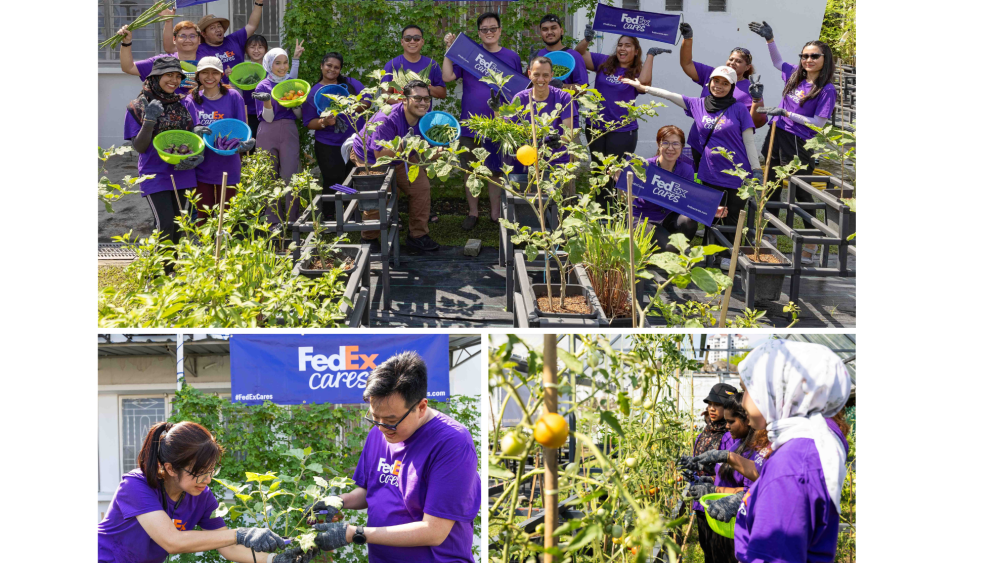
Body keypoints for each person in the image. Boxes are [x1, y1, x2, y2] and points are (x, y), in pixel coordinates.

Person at [305, 351, 481, 563]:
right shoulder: (380, 433)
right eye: (374, 417)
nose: (381, 427)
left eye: (390, 420)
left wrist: (354, 533)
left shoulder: (452, 443)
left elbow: (434, 531)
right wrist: (337, 501)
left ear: (421, 407)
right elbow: (370, 491)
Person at [700, 340, 851, 563]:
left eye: (746, 390)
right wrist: (749, 499)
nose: (743, 402)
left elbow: (772, 556)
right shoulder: (807, 446)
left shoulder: (792, 465)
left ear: (774, 391)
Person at [97, 420, 310, 563]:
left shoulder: (201, 496)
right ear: (170, 468)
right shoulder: (136, 485)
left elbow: (228, 547)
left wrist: (276, 559)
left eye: (211, 471)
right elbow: (171, 541)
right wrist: (241, 534)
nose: (207, 480)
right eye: (199, 473)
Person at [623, 67, 762, 259]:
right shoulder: (698, 104)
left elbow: (749, 141)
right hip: (710, 171)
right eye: (716, 81)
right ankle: (710, 256)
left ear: (732, 86)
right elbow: (669, 95)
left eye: (725, 83)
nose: (719, 86)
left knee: (733, 216)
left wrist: (756, 169)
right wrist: (644, 88)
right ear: (709, 82)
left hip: (737, 172)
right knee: (711, 216)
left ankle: (728, 257)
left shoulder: (739, 109)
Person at [750, 21, 838, 264]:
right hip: (777, 132)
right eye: (804, 56)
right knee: (772, 184)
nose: (808, 60)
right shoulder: (795, 76)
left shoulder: (826, 89)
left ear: (825, 59)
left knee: (800, 190)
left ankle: (812, 241)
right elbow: (778, 62)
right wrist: (770, 40)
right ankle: (770, 232)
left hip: (799, 141)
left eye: (814, 56)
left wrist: (787, 113)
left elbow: (818, 123)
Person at [442, 11, 523, 230]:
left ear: (500, 31)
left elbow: (518, 91)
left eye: (493, 28)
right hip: (470, 125)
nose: (489, 32)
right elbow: (448, 77)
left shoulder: (512, 57)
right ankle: (473, 213)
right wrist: (449, 50)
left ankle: (495, 214)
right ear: (479, 33)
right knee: (471, 170)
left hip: (499, 126)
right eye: (484, 29)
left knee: (496, 170)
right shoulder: (470, 55)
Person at [123, 57, 211, 247]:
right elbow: (140, 147)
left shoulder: (185, 103)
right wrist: (149, 121)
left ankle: (174, 265)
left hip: (183, 170)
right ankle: (159, 266)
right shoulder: (137, 107)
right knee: (164, 225)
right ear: (155, 77)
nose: (174, 80)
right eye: (168, 75)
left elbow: (192, 138)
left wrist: (198, 153)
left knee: (179, 226)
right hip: (154, 172)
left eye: (178, 76)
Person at [573, 30, 660, 208]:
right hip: (595, 127)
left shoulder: (637, 71)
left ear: (636, 51)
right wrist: (587, 39)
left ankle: (616, 213)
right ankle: (600, 212)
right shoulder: (604, 62)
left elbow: (643, 85)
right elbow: (578, 54)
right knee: (598, 170)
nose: (622, 48)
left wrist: (650, 55)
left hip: (622, 131)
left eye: (627, 45)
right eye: (620, 45)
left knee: (616, 172)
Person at [351, 80, 441, 253]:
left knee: (421, 188)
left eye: (426, 99)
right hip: (371, 158)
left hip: (402, 155)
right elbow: (381, 156)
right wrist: (403, 145)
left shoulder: (425, 117)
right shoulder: (386, 119)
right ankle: (369, 238)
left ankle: (417, 236)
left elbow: (426, 150)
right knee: (380, 195)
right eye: (417, 98)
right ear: (404, 100)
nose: (423, 103)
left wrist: (438, 151)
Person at [677, 22, 767, 170]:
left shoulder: (751, 88)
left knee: (720, 181)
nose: (733, 63)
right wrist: (688, 39)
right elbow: (686, 64)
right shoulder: (713, 74)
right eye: (731, 59)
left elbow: (756, 122)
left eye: (738, 61)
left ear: (747, 67)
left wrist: (757, 99)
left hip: (726, 148)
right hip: (700, 142)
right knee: (699, 179)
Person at [682, 393, 759, 563]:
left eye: (731, 421)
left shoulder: (754, 452)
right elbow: (725, 475)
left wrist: (714, 490)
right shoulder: (737, 444)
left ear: (746, 419)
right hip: (722, 523)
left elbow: (752, 491)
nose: (727, 426)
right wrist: (708, 481)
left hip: (735, 525)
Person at [181, 57, 255, 220]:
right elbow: (187, 134)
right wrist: (194, 131)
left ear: (221, 75)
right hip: (202, 164)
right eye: (205, 73)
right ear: (198, 75)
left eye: (214, 73)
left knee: (227, 215)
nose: (210, 77)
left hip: (228, 163)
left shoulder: (233, 96)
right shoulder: (190, 100)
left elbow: (241, 129)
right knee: (203, 215)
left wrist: (246, 143)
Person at [302, 52, 369, 215]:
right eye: (329, 65)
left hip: (354, 143)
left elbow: (367, 101)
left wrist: (350, 108)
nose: (332, 69)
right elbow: (309, 122)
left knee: (353, 177)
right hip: (329, 145)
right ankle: (330, 215)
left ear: (340, 69)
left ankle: (351, 213)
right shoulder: (314, 93)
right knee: (333, 180)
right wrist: (324, 122)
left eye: (336, 67)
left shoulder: (351, 84)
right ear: (321, 66)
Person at [499, 57, 575, 189]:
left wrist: (559, 141)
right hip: (525, 162)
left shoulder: (563, 98)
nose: (541, 79)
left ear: (551, 76)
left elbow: (569, 134)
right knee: (523, 199)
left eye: (545, 75)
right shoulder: (520, 98)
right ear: (529, 74)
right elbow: (507, 130)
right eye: (536, 74)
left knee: (553, 199)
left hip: (554, 162)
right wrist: (497, 111)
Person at [686, 382, 738, 563]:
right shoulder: (705, 433)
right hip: (702, 501)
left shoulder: (730, 436)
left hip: (720, 502)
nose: (712, 408)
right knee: (707, 548)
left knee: (722, 553)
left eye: (718, 404)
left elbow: (731, 474)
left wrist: (710, 482)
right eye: (710, 404)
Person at [628, 125, 699, 254]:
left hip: (667, 217)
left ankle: (677, 247)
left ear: (682, 146)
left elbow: (689, 200)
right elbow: (627, 197)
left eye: (675, 144)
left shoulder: (686, 170)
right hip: (643, 219)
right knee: (670, 249)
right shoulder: (644, 166)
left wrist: (709, 210)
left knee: (689, 220)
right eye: (665, 143)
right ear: (658, 144)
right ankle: (670, 250)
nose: (670, 148)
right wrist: (619, 179)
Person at [162, 4, 265, 82]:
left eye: (219, 26)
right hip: (214, 92)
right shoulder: (198, 48)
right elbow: (169, 48)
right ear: (204, 34)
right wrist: (168, 21)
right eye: (212, 28)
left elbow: (252, 26)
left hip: (242, 88)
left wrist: (258, 3)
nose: (218, 30)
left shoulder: (234, 39)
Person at [251, 48, 302, 185]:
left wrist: (296, 105)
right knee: (268, 174)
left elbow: (299, 115)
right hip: (267, 130)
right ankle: (269, 201)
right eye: (277, 63)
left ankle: (291, 201)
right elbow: (268, 118)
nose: (283, 67)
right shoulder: (262, 86)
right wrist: (267, 101)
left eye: (285, 62)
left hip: (289, 130)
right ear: (269, 64)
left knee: (291, 175)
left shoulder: (292, 83)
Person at [115, 22, 199, 96]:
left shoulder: (205, 63)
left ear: (199, 40)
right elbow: (128, 68)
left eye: (192, 36)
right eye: (182, 36)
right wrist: (126, 43)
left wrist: (202, 88)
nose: (188, 40)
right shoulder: (162, 62)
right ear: (174, 39)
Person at [381, 25, 447, 101]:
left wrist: (423, 85)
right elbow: (385, 95)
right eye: (407, 39)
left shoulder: (432, 64)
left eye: (416, 38)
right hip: (399, 108)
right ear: (402, 42)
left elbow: (442, 94)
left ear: (422, 42)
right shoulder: (392, 65)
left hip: (423, 108)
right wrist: (404, 104)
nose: (412, 42)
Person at [243, 35, 270, 139]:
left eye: (260, 47)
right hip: (248, 114)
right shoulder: (242, 70)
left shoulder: (272, 70)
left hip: (268, 114)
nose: (256, 50)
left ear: (266, 50)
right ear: (246, 50)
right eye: (252, 47)